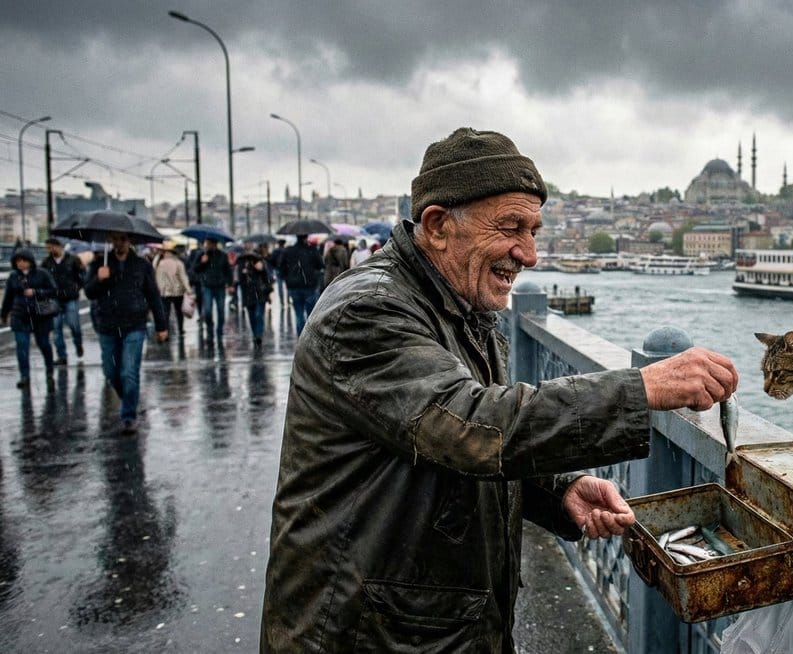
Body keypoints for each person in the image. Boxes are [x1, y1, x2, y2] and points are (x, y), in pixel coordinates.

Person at [261, 128, 739, 652]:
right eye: (511, 227)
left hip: (431, 621)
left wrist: (558, 491)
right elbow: (468, 425)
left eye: (534, 230)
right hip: (365, 630)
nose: (529, 253)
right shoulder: (367, 312)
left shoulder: (463, 305)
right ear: (438, 225)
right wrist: (641, 388)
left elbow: (456, 445)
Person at [83, 232, 168, 434]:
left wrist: (161, 325)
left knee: (129, 373)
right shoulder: (100, 264)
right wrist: (99, 279)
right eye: (115, 239)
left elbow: (153, 295)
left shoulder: (141, 265)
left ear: (129, 241)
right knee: (111, 372)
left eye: (123, 239)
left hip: (135, 324)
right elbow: (89, 292)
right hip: (108, 325)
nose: (119, 243)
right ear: (110, 241)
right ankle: (129, 398)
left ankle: (129, 416)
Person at [1, 248, 58, 389]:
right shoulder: (14, 276)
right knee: (22, 347)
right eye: (18, 261)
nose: (21, 263)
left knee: (43, 343)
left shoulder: (42, 274)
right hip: (20, 315)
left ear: (30, 261)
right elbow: (8, 296)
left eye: (23, 260)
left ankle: (49, 370)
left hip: (41, 316)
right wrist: (4, 314)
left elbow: (54, 291)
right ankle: (24, 376)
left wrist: (36, 292)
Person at [41, 237, 87, 364]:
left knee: (74, 325)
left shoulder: (73, 259)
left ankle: (78, 344)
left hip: (71, 297)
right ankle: (62, 356)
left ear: (58, 246)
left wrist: (77, 287)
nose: (48, 250)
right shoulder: (46, 262)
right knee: (56, 328)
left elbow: (83, 275)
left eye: (50, 248)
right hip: (53, 298)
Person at [277, 234, 323, 335]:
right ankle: (310, 337)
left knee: (298, 314)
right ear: (306, 238)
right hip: (309, 285)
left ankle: (301, 337)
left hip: (294, 286)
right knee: (311, 314)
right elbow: (320, 265)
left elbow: (281, 267)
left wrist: (287, 278)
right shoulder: (312, 250)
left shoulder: (288, 251)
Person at [192, 237, 234, 345]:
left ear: (214, 244)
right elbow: (195, 269)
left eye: (209, 243)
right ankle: (210, 332)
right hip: (207, 286)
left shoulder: (222, 255)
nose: (207, 245)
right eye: (206, 243)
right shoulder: (202, 255)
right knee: (207, 311)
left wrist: (230, 284)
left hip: (220, 286)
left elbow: (228, 271)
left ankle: (219, 332)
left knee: (221, 311)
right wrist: (202, 262)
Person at [235, 245, 274, 349]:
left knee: (258, 315)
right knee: (252, 316)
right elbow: (239, 279)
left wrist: (260, 269)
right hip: (248, 294)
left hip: (260, 293)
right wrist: (245, 272)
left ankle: (258, 335)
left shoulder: (259, 262)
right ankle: (255, 333)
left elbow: (267, 278)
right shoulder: (241, 263)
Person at [153, 242, 192, 337]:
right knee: (179, 312)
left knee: (165, 312)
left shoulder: (160, 263)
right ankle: (180, 329)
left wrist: (158, 255)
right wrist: (188, 290)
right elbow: (183, 278)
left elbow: (153, 270)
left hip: (164, 292)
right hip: (177, 291)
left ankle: (165, 330)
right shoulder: (178, 263)